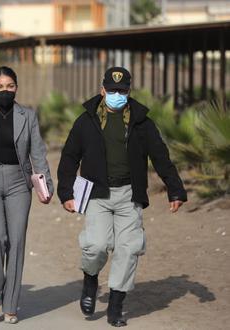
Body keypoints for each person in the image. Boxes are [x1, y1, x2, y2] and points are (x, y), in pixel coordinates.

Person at [57, 67, 187, 327]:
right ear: (102, 89)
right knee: (95, 245)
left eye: (122, 90)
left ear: (129, 91)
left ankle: (116, 305)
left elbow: (160, 156)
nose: (117, 94)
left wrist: (175, 188)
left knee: (128, 249)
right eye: (112, 90)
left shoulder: (141, 122)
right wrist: (66, 192)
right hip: (97, 194)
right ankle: (90, 280)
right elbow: (70, 157)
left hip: (130, 194)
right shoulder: (86, 120)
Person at [0, 66, 54, 324]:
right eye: (0, 86)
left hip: (19, 183)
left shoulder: (28, 115)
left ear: (17, 88)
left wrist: (46, 184)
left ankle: (11, 304)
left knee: (16, 243)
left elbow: (37, 151)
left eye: (10, 86)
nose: (5, 90)